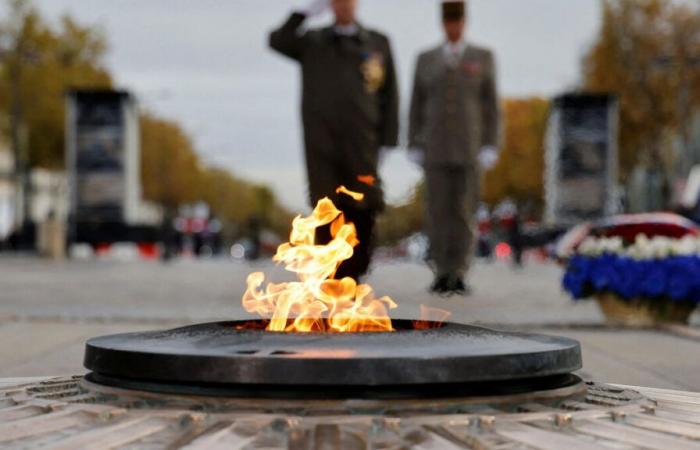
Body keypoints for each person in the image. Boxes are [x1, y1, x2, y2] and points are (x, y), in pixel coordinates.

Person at [269, 0, 399, 280]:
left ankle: (355, 275)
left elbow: (390, 94)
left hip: (363, 141)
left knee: (363, 205)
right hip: (322, 143)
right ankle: (330, 278)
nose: (344, 5)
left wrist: (389, 139)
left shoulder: (377, 43)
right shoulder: (314, 42)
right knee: (326, 206)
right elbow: (278, 41)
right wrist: (301, 14)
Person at [408, 0, 500, 295]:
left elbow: (491, 106)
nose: (453, 26)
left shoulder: (482, 57)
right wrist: (413, 141)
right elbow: (416, 105)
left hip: (468, 148)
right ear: (443, 23)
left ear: (464, 22)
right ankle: (440, 271)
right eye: (449, 21)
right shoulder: (426, 59)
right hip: (434, 148)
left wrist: (490, 144)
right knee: (436, 212)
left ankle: (458, 272)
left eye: (457, 21)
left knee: (463, 212)